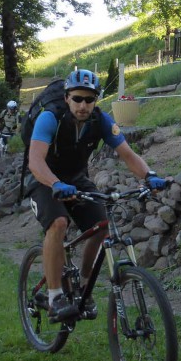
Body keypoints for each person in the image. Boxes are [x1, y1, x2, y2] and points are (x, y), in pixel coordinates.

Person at [27, 68, 169, 322]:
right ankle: (55, 295)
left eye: (89, 99)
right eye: (77, 99)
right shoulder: (50, 118)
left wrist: (149, 176)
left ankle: (83, 284)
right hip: (44, 179)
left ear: (96, 100)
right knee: (58, 224)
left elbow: (127, 154)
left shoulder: (101, 121)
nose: (83, 105)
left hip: (76, 179)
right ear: (67, 98)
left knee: (102, 225)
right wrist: (56, 184)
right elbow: (35, 161)